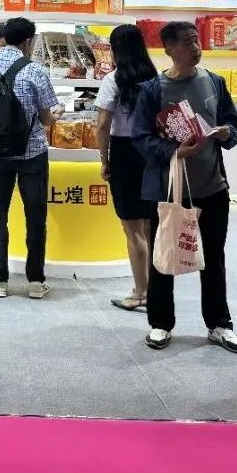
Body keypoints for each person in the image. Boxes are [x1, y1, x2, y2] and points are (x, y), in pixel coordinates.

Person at [132, 21, 237, 353]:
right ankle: (160, 324)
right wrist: (174, 152)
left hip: (212, 186)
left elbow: (232, 122)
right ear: (169, 49)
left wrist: (226, 133)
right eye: (186, 42)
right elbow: (140, 137)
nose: (195, 47)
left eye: (196, 40)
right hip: (169, 189)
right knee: (163, 257)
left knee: (214, 257)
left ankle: (219, 325)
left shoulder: (214, 82)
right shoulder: (153, 90)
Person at [0, 17, 60, 300]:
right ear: (28, 41)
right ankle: (35, 281)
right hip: (31, 152)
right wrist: (56, 115)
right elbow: (46, 118)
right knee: (35, 217)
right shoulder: (34, 70)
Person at [95, 24, 158, 312]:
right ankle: (153, 289)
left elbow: (102, 124)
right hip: (151, 152)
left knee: (132, 230)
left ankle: (141, 292)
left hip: (124, 152)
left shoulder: (113, 80)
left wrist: (104, 159)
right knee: (147, 226)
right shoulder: (155, 78)